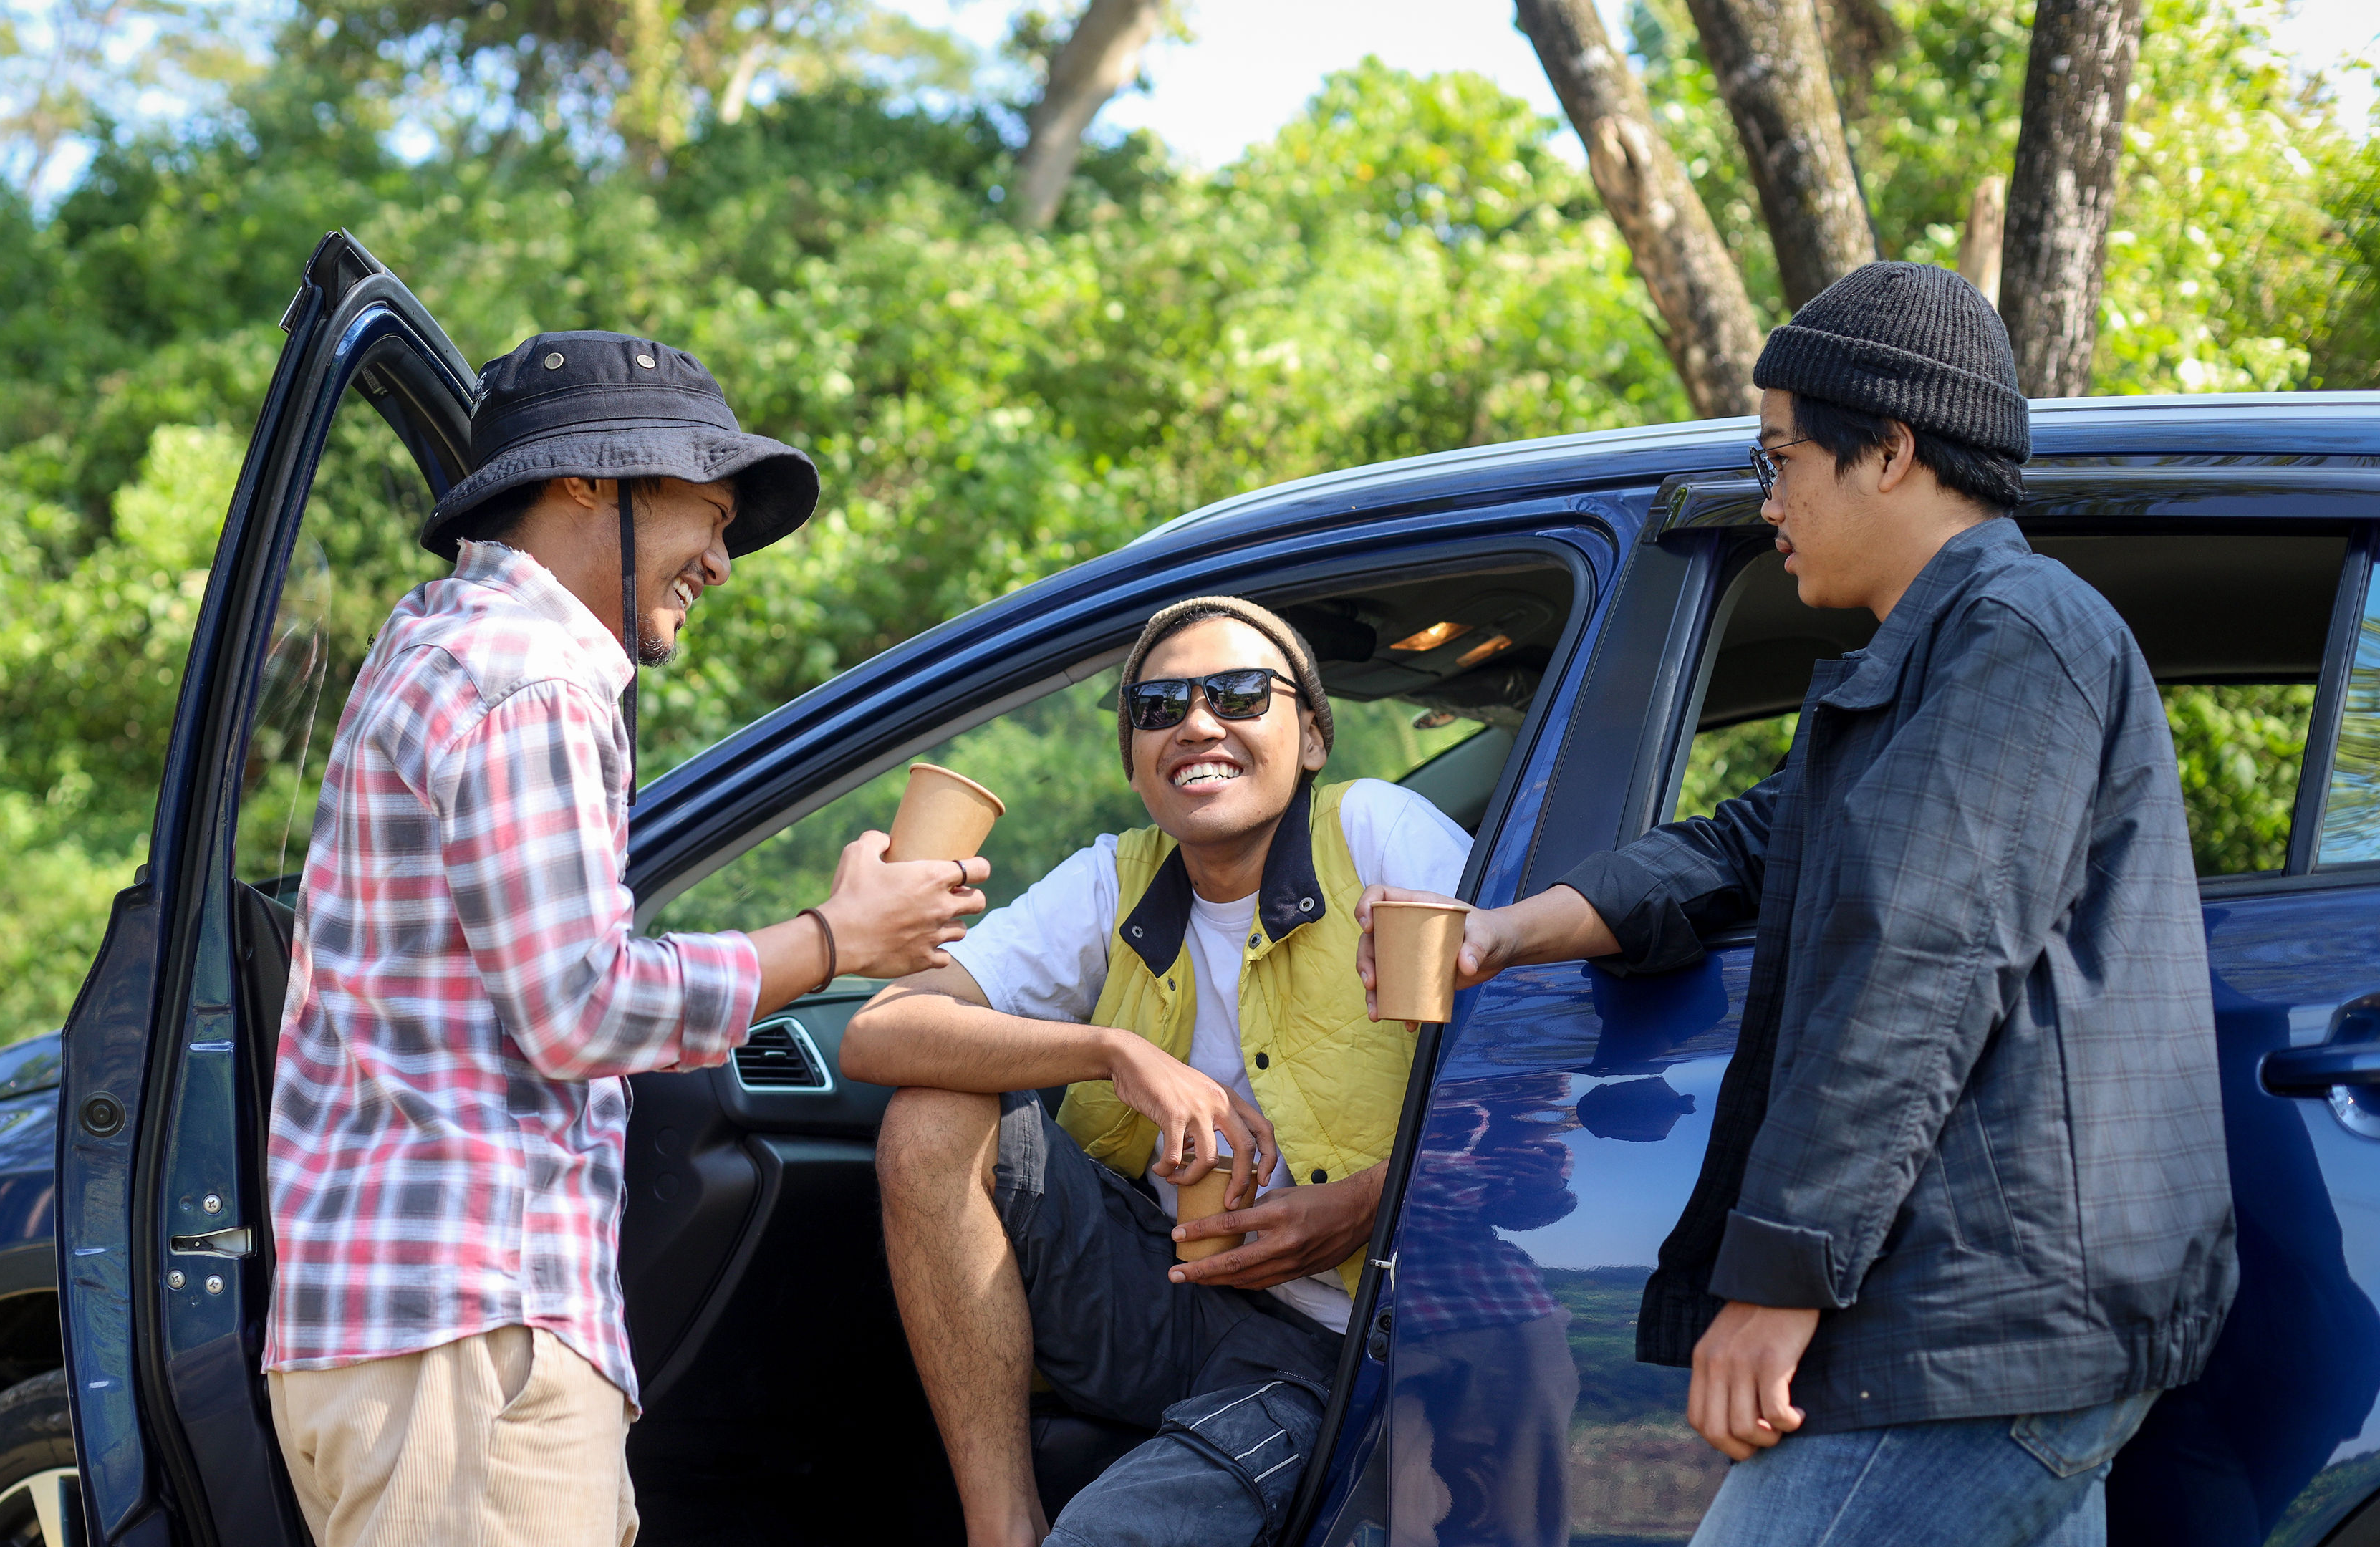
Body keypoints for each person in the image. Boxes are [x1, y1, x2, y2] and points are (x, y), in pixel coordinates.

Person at [1357, 261, 2237, 1547]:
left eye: (1779, 460)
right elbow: (1751, 844)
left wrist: (1778, 1281)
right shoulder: (1928, 655)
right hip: (2010, 1333)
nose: (1766, 498)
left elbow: (1917, 972)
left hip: (1976, 1329)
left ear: (1885, 448)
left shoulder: (2014, 638)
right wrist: (1506, 931)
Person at [260, 331, 988, 1547]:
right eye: (706, 510)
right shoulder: (527, 678)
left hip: (415, 1332)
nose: (719, 555)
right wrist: (834, 936)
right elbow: (579, 1006)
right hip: (471, 1337)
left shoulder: (440, 644)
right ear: (586, 482)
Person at [842, 595, 1476, 1547]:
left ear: (1309, 735)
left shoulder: (1378, 832)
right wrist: (1112, 1051)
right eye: (1159, 706)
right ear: (1138, 765)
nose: (1196, 723)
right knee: (934, 1110)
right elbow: (879, 1032)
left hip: (1339, 1347)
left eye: (1236, 693)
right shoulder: (1116, 878)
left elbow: (1536, 1071)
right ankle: (999, 1526)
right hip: (1171, 1294)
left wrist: (1369, 1202)